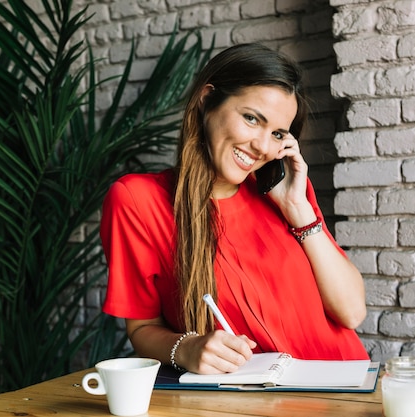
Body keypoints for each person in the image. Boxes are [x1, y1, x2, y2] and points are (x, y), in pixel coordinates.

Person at [99, 43, 369, 375]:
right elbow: (141, 330)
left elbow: (352, 313)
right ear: (207, 99)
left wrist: (298, 209)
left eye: (277, 133)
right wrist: (187, 348)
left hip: (346, 386)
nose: (262, 146)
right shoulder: (138, 200)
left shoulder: (287, 195)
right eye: (252, 118)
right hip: (251, 401)